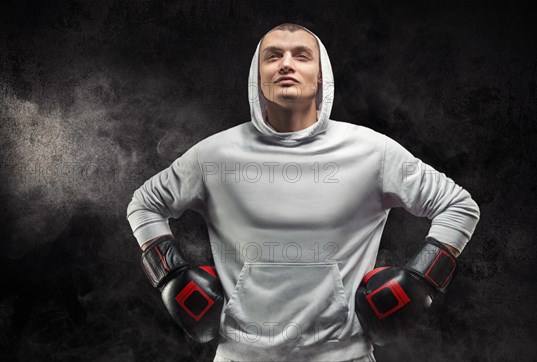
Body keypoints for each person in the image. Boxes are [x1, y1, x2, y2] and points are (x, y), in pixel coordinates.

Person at [126, 23, 480, 362]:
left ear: (320, 76)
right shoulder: (214, 156)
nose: (286, 64)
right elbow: (145, 204)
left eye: (301, 55)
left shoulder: (372, 151)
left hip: (344, 355)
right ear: (258, 77)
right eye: (273, 55)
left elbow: (458, 205)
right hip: (241, 355)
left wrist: (422, 281)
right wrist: (170, 274)